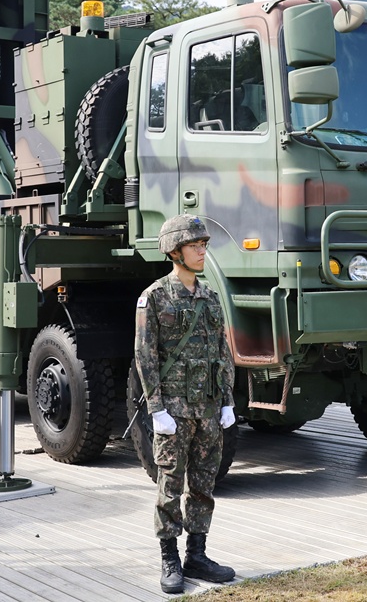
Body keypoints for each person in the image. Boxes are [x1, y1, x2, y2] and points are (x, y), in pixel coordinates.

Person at [134, 214, 237, 594]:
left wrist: (227, 401)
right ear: (174, 251)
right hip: (174, 413)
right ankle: (169, 558)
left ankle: (197, 554)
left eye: (204, 245)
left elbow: (222, 353)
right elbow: (144, 356)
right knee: (170, 485)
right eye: (195, 246)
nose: (202, 252)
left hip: (208, 409)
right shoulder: (155, 297)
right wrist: (156, 409)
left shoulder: (210, 297)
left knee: (205, 485)